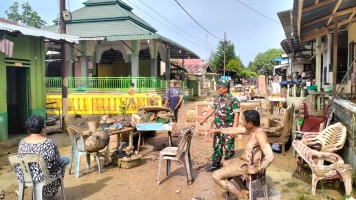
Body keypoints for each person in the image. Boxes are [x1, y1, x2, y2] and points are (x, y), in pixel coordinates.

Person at [210, 110, 274, 200]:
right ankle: (244, 189)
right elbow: (233, 130)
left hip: (247, 165)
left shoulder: (259, 134)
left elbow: (270, 156)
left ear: (250, 124)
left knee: (215, 176)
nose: (243, 123)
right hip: (243, 160)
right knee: (226, 163)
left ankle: (240, 196)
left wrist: (256, 169)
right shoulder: (252, 130)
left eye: (244, 121)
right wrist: (216, 130)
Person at [15, 115, 70, 199]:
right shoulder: (48, 142)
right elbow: (57, 158)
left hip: (26, 176)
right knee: (65, 160)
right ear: (43, 128)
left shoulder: (22, 142)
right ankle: (48, 191)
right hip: (43, 177)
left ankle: (42, 192)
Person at [199, 79, 240, 172]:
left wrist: (234, 130)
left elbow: (237, 116)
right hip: (217, 129)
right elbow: (212, 109)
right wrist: (204, 119)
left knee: (228, 148)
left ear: (225, 88)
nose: (217, 89)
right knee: (217, 146)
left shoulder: (233, 100)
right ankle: (215, 164)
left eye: (219, 87)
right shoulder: (217, 98)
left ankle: (229, 168)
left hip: (228, 129)